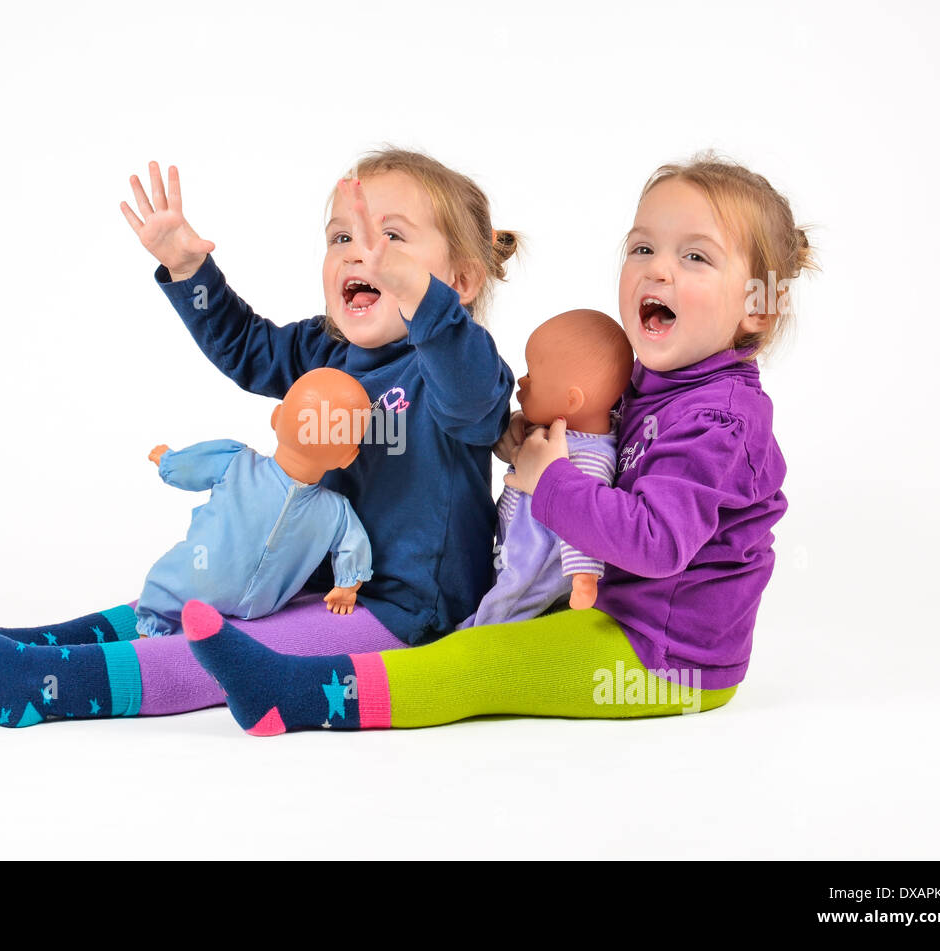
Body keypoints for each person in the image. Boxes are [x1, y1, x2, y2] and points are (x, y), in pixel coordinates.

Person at [181, 153, 818, 735]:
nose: (657, 267)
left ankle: (295, 696)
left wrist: (551, 479)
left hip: (667, 656)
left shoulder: (723, 421)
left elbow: (654, 542)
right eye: (642, 247)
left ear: (758, 308)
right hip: (603, 613)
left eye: (695, 257)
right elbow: (591, 450)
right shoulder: (653, 382)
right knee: (489, 628)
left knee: (470, 662)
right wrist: (528, 442)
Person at [0, 149, 518, 727]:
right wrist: (187, 267)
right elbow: (247, 348)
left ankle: (42, 686)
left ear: (458, 281)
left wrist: (424, 302)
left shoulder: (462, 364)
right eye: (342, 237)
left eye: (391, 238)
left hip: (405, 612)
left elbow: (473, 404)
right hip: (304, 582)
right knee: (181, 605)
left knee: (226, 649)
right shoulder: (324, 348)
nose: (363, 256)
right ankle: (22, 649)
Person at [135, 367, 374, 638]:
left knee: (167, 590)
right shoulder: (333, 510)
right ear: (348, 457)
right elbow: (353, 546)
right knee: (169, 595)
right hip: (253, 600)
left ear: (277, 418)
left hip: (211, 591)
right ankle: (152, 634)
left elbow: (192, 467)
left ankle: (152, 635)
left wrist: (169, 462)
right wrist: (346, 586)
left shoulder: (240, 464)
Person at [456, 309, 632, 628]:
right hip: (512, 548)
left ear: (571, 400)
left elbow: (585, 522)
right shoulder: (561, 429)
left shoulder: (592, 459)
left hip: (536, 565)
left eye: (531, 376)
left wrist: (585, 577)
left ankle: (466, 646)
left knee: (498, 616)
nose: (522, 381)